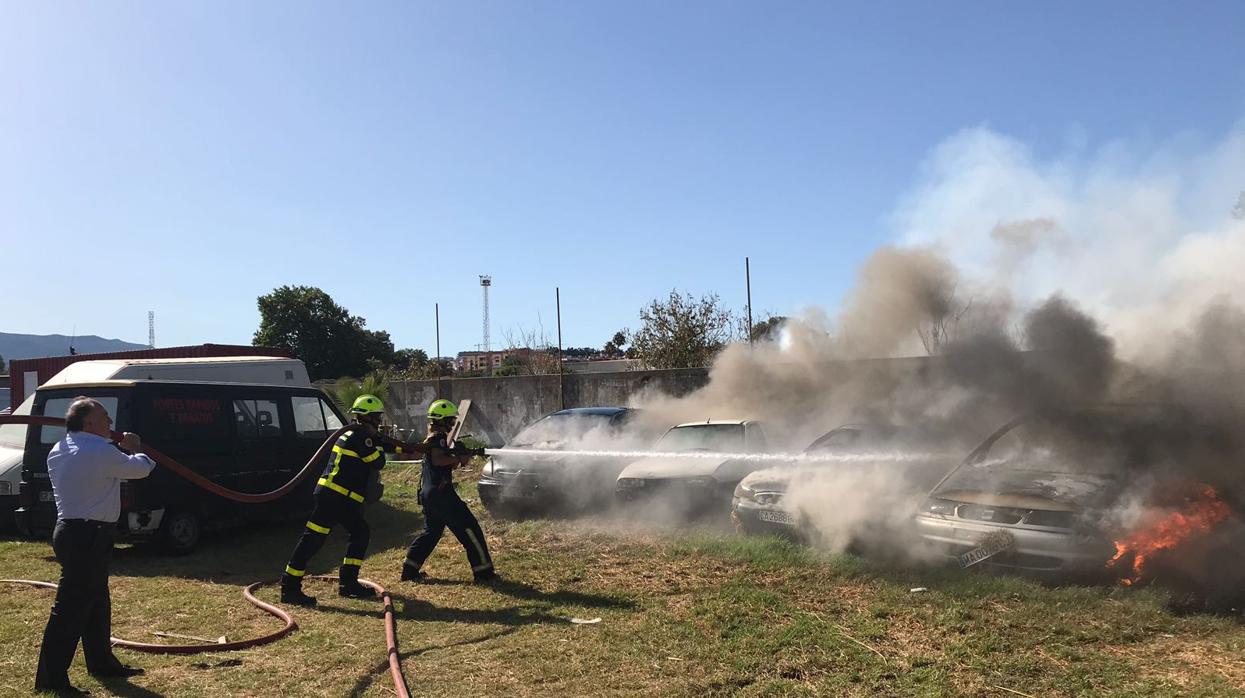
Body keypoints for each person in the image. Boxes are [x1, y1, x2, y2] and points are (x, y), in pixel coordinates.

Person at [35, 397, 156, 693]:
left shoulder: (61, 448)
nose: (111, 423)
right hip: (87, 535)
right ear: (89, 423)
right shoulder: (99, 451)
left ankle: (101, 662)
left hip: (76, 533)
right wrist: (135, 446)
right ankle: (51, 678)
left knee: (96, 602)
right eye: (105, 417)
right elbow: (142, 468)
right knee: (72, 609)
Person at [280, 394, 427, 606]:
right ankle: (310, 586)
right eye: (377, 417)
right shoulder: (360, 438)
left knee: (339, 536)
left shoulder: (356, 435)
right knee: (329, 537)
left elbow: (387, 446)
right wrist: (380, 443)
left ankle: (331, 585)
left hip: (336, 497)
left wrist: (412, 447)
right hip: (335, 497)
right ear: (368, 418)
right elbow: (378, 462)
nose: (379, 422)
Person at [401, 399, 494, 584]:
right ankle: (483, 572)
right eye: (450, 420)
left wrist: (461, 457)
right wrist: (457, 457)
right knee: (470, 527)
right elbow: (438, 461)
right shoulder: (439, 438)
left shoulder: (433, 439)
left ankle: (409, 571)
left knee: (432, 533)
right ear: (441, 421)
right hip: (441, 495)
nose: (452, 424)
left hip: (430, 494)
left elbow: (443, 461)